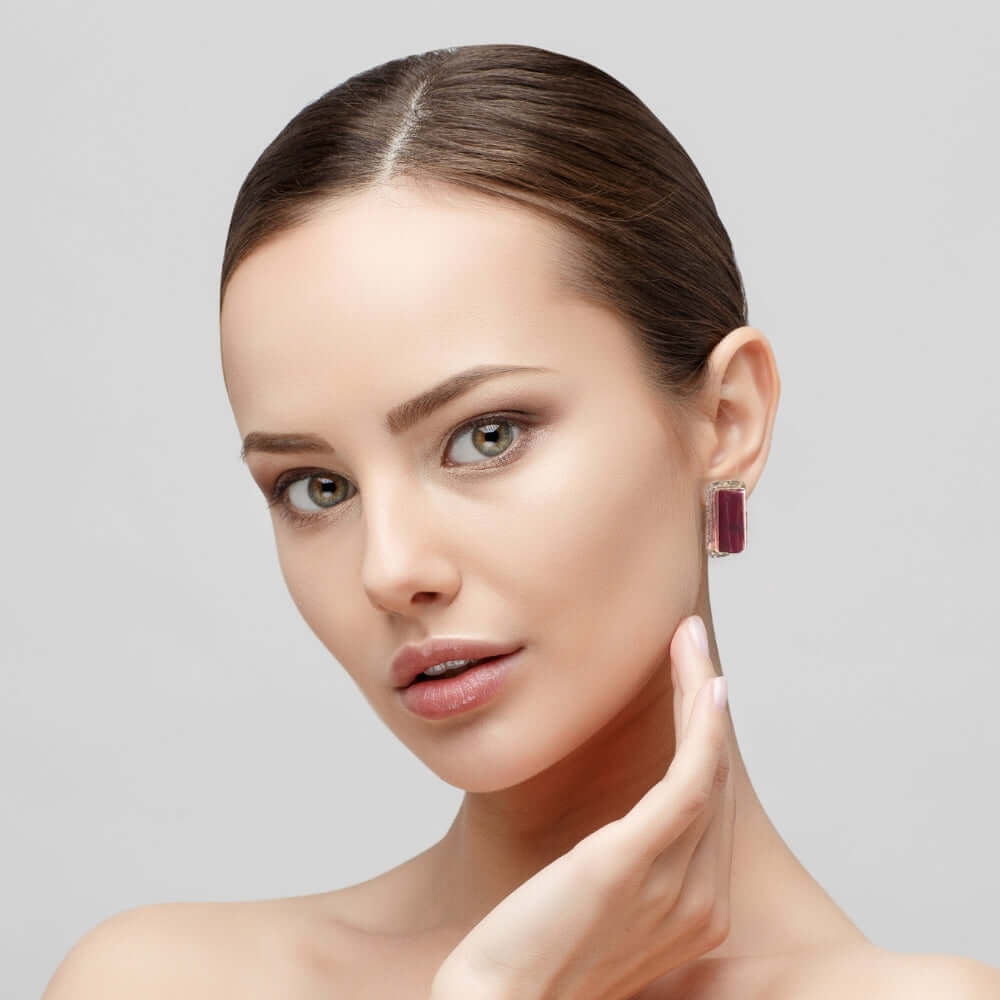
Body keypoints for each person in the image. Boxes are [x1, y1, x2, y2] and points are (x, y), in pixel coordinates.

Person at [44, 42, 1000, 1000]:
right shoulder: (150, 980)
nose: (391, 568)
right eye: (316, 487)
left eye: (486, 435)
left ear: (727, 421)